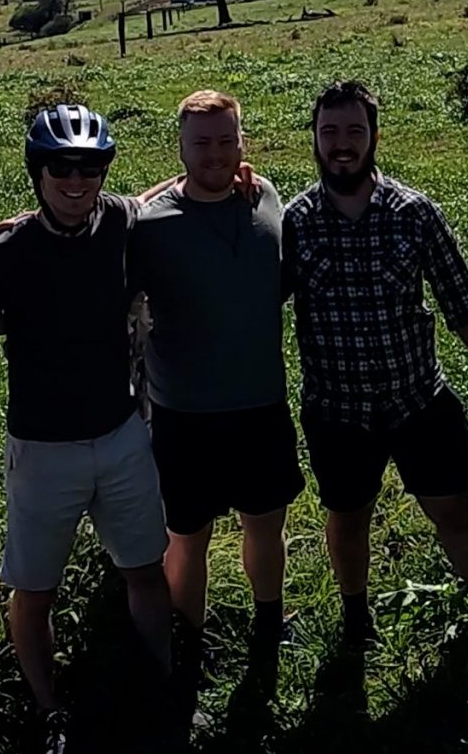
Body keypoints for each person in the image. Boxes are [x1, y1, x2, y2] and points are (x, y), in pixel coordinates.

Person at [282, 82, 468, 657]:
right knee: (348, 518)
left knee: (457, 512)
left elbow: (460, 298)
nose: (342, 144)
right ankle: (356, 619)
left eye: (354, 131)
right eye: (329, 132)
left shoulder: (413, 213)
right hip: (337, 409)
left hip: (418, 398)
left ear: (374, 135)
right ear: (314, 139)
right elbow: (252, 300)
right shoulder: (293, 222)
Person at [0, 105, 175, 754]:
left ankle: (162, 687)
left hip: (119, 434)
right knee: (34, 592)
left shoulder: (119, 220)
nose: (77, 181)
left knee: (146, 569)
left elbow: (158, 196)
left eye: (91, 167)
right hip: (42, 448)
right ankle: (49, 708)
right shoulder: (4, 254)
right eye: (62, 167)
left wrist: (232, 172)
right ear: (38, 172)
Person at [129, 91, 303, 681]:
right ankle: (190, 643)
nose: (216, 154)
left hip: (261, 402)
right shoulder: (150, 224)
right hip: (185, 413)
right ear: (179, 147)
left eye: (227, 140)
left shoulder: (266, 197)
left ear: (242, 142)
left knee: (267, 524)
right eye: (201, 143)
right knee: (187, 536)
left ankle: (269, 621)